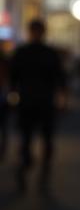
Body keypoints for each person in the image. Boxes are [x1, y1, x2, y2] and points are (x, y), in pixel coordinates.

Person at [9, 17, 66, 192]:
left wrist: (13, 96)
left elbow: (13, 78)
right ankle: (40, 170)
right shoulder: (49, 53)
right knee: (44, 138)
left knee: (29, 137)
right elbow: (60, 78)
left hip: (30, 101)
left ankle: (29, 166)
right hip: (43, 101)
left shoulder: (22, 52)